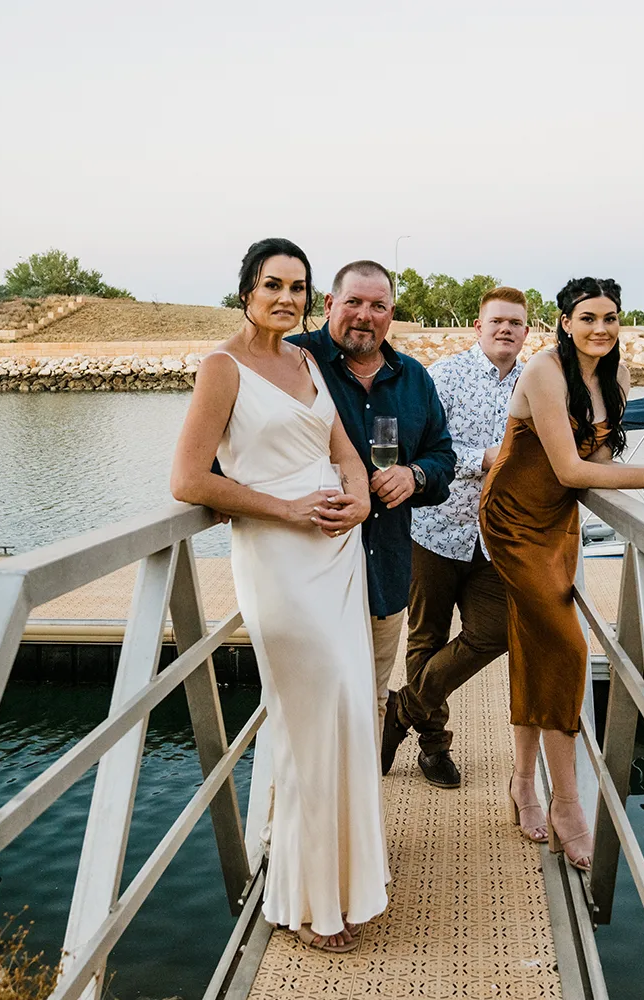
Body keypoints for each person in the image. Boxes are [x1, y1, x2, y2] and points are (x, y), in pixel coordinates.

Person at [170, 238, 386, 953]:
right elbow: (189, 482)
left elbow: (345, 456)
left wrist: (356, 503)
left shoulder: (306, 361)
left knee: (349, 712)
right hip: (278, 560)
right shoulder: (221, 368)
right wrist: (287, 509)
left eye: (298, 286)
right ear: (245, 291)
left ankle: (344, 879)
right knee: (308, 717)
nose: (286, 298)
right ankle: (307, 900)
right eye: (273, 285)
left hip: (338, 556)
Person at [480, 277, 644, 862]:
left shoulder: (617, 376)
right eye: (589, 318)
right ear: (565, 322)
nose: (601, 329)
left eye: (611, 318)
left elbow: (601, 460)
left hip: (559, 522)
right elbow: (568, 467)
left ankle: (523, 783)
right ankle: (567, 802)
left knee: (536, 647)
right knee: (567, 648)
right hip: (511, 518)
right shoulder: (543, 373)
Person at [287, 261, 455, 732]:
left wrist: (415, 475)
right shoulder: (293, 361)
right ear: (328, 304)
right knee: (306, 710)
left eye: (378, 305)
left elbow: (443, 455)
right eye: (354, 302)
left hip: (384, 574)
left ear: (391, 313)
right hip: (309, 573)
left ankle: (363, 807)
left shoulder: (414, 378)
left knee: (371, 705)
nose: (365, 315)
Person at [383, 286, 529, 790]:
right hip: (434, 529)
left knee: (495, 632)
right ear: (478, 327)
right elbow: (420, 449)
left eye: (515, 322)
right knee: (425, 640)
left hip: (498, 537)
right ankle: (434, 748)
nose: (506, 329)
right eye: (497, 322)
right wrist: (481, 459)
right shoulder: (442, 376)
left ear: (527, 331)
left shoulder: (535, 385)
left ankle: (398, 711)